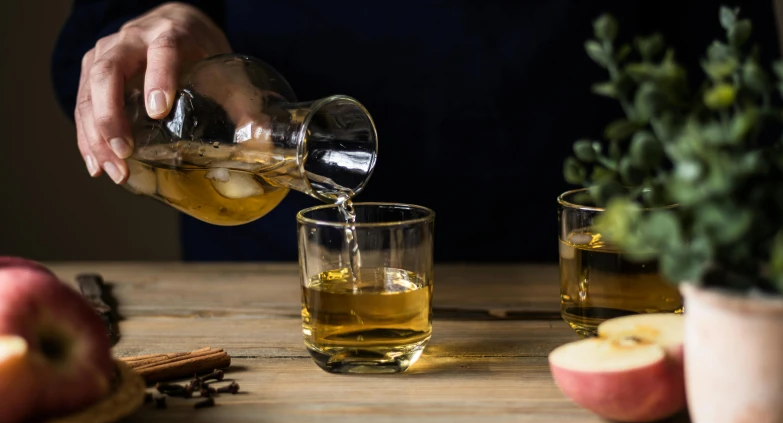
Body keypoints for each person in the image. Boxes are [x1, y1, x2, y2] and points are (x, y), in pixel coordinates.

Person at [51, 1, 780, 262]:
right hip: (266, 294)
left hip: (575, 268)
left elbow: (739, 80)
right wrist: (167, 14)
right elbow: (91, 34)